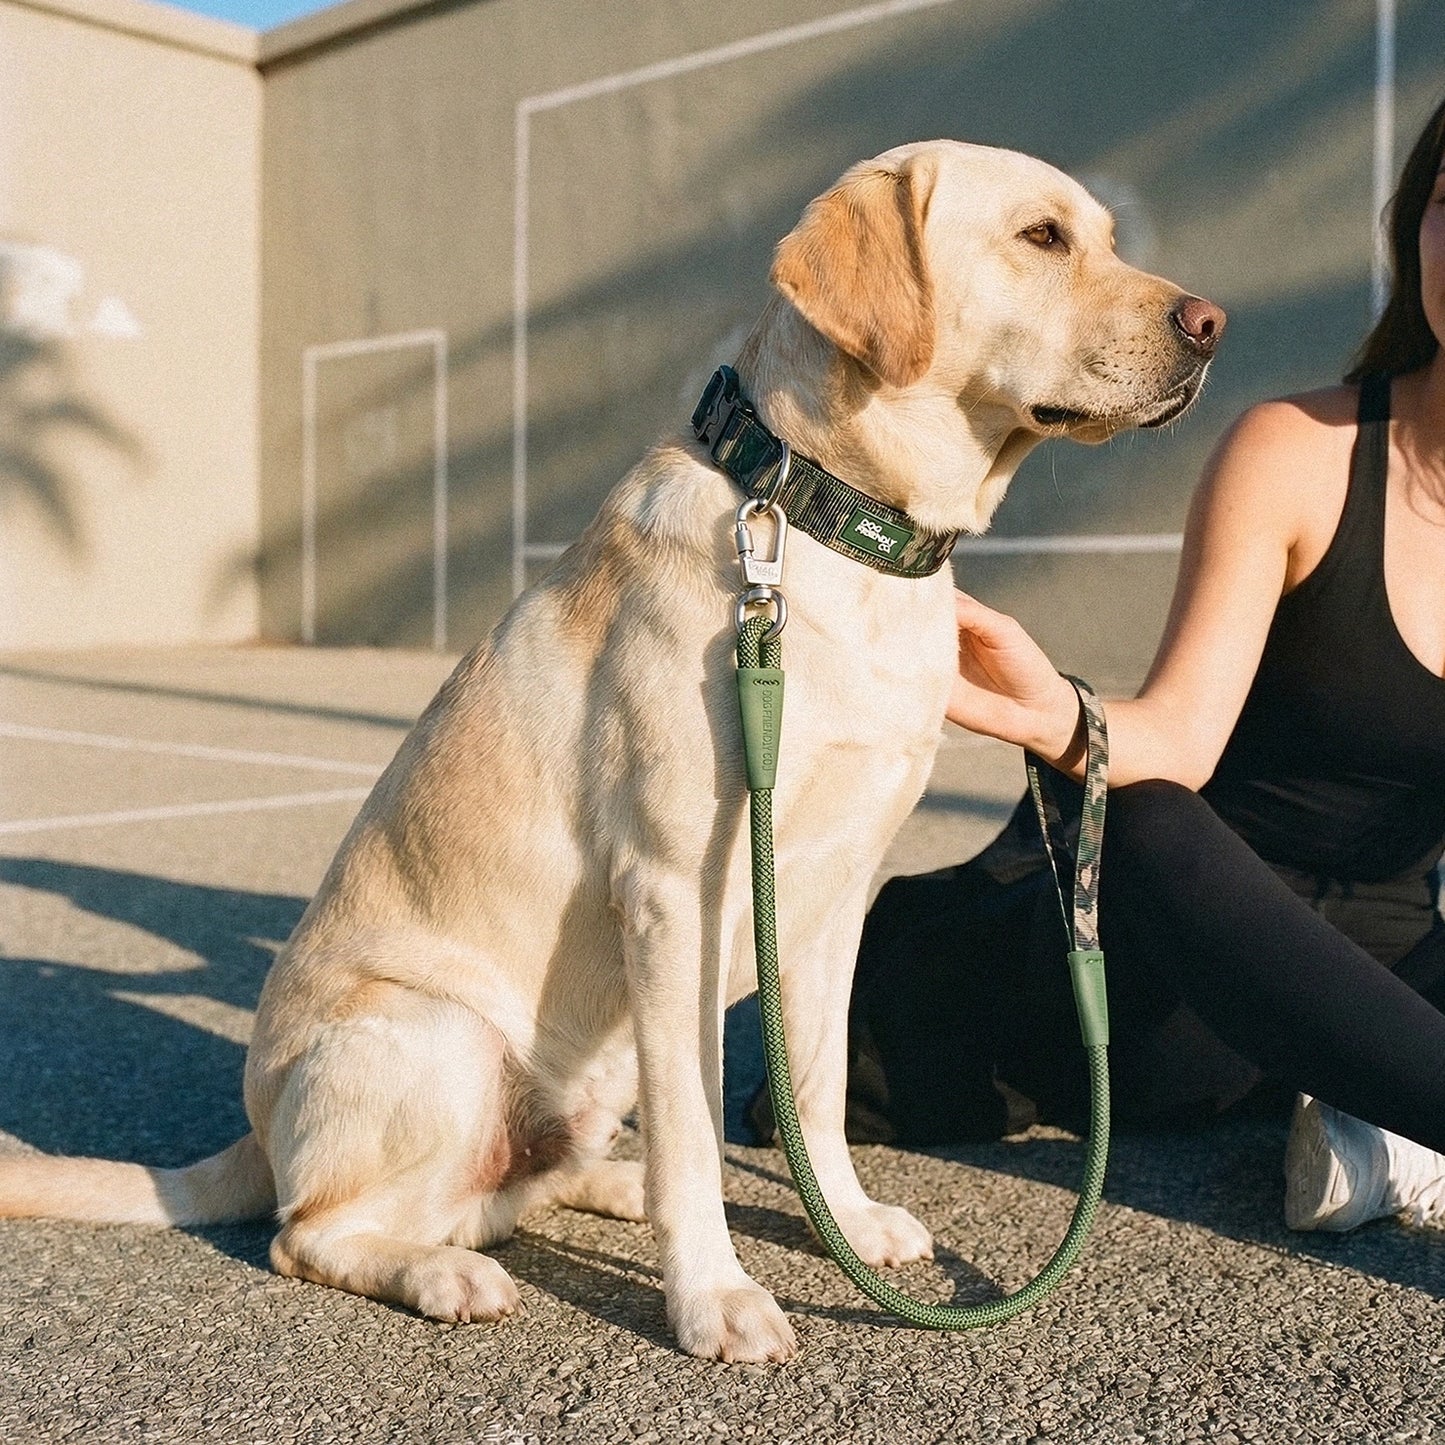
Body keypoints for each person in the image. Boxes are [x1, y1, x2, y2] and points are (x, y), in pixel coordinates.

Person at [843, 93, 1445, 1233]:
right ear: (1414, 227)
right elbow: (1175, 733)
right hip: (1178, 972)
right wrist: (1058, 711)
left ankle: (1377, 1109)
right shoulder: (1299, 452)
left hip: (1381, 990)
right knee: (1146, 811)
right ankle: (1398, 1114)